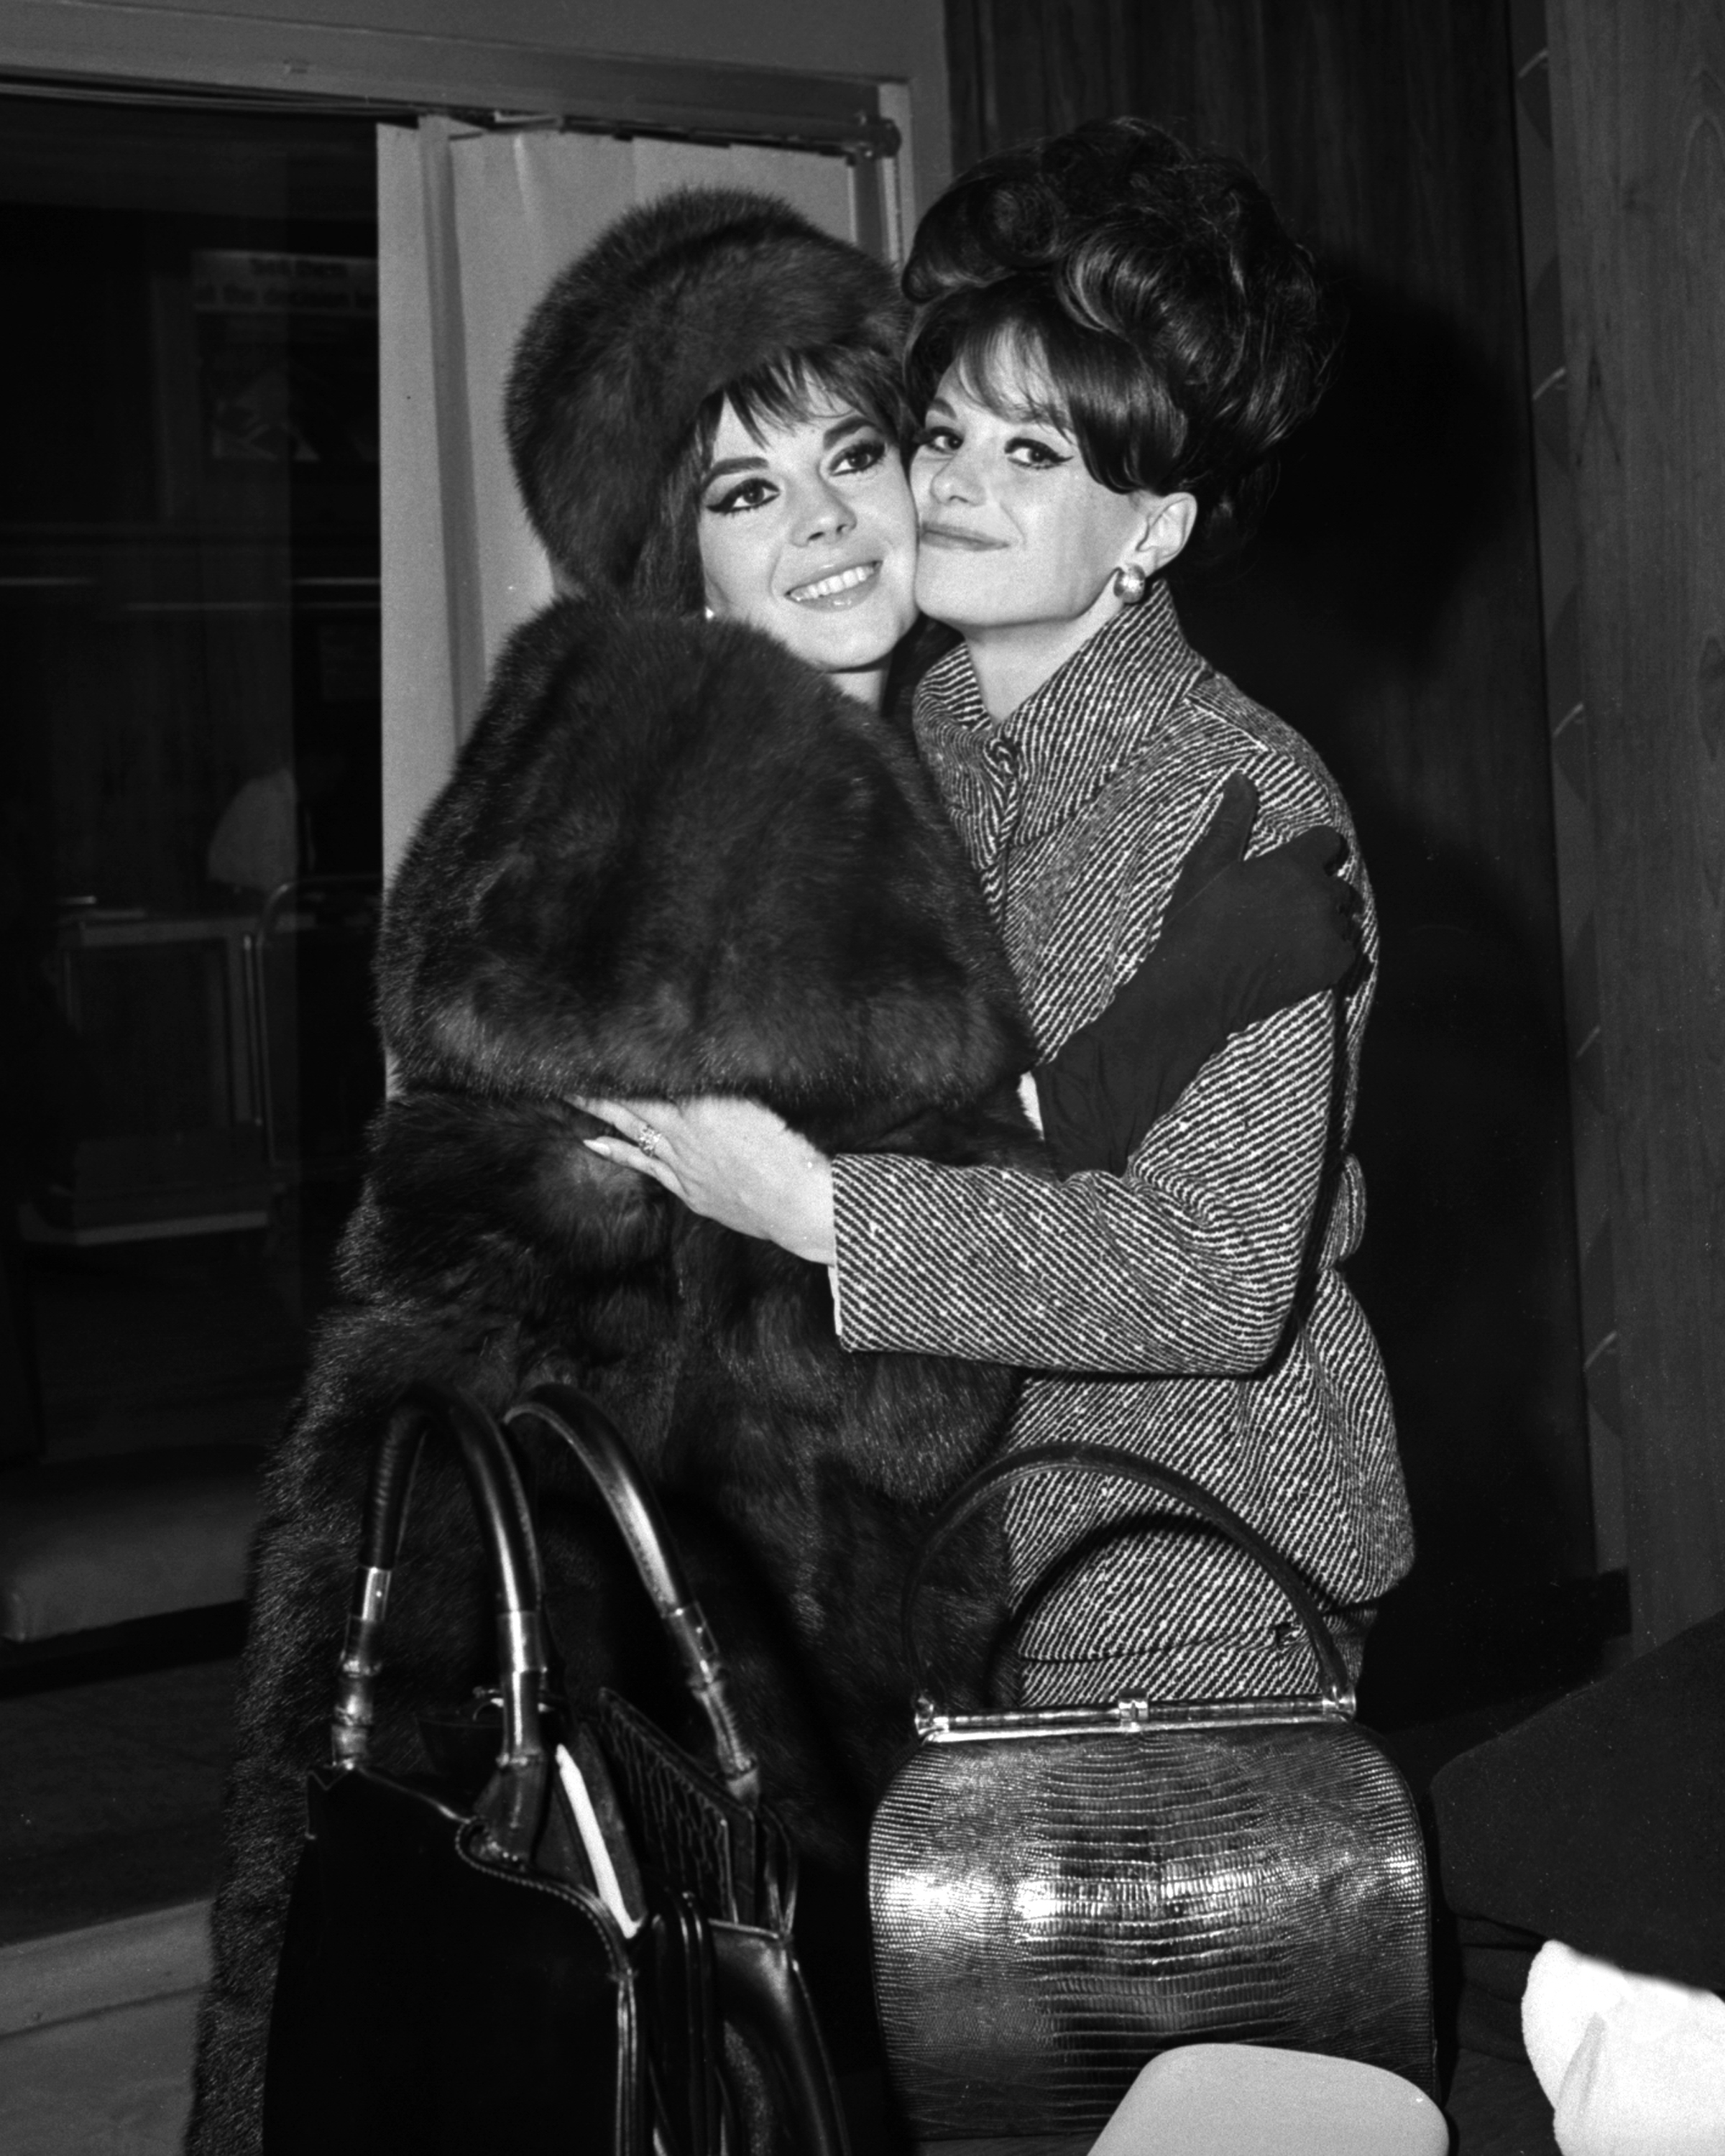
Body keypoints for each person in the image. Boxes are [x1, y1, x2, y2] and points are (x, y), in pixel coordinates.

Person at [189, 185, 1361, 2152]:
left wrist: (1171, 1006)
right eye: (748, 493)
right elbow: (652, 1324)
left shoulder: (904, 741)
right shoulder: (688, 821)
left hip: (1054, 1593)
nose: (836, 520)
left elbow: (1055, 1174)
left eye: (856, 450)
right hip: (725, 1669)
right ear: (678, 553)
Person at [580, 123, 1412, 1709]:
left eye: (1032, 456)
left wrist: (824, 1214)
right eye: (947, 436)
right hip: (940, 1561)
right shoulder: (932, 727)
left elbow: (1218, 1281)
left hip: (1184, 1569)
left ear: (1152, 529)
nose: (954, 489)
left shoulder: (1238, 796)